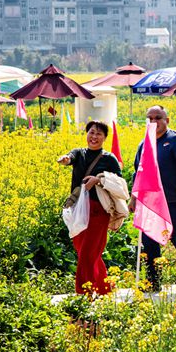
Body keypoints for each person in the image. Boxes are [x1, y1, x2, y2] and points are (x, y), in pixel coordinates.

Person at [131, 105, 176, 289]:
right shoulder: (144, 144)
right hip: (148, 204)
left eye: (158, 118)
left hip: (172, 201)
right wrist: (133, 198)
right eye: (150, 118)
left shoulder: (175, 140)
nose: (154, 122)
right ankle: (153, 281)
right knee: (149, 241)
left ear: (166, 120)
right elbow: (138, 172)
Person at [57, 121, 123, 295]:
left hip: (99, 210)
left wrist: (99, 179)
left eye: (99, 134)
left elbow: (119, 182)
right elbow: (70, 157)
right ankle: (103, 289)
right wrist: (65, 159)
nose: (94, 137)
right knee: (85, 251)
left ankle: (83, 296)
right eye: (91, 132)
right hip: (78, 209)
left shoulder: (109, 158)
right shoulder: (79, 153)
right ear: (86, 134)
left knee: (88, 254)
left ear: (105, 138)